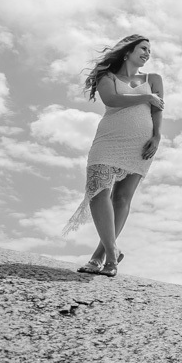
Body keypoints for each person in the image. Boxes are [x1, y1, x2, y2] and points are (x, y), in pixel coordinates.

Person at [61, 34, 164, 277]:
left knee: (122, 198)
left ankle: (101, 258)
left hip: (140, 144)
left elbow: (158, 110)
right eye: (143, 48)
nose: (147, 53)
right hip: (108, 141)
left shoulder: (154, 79)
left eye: (149, 50)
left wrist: (157, 136)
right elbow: (112, 99)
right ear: (127, 51)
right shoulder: (106, 76)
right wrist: (147, 96)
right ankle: (113, 251)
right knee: (98, 190)